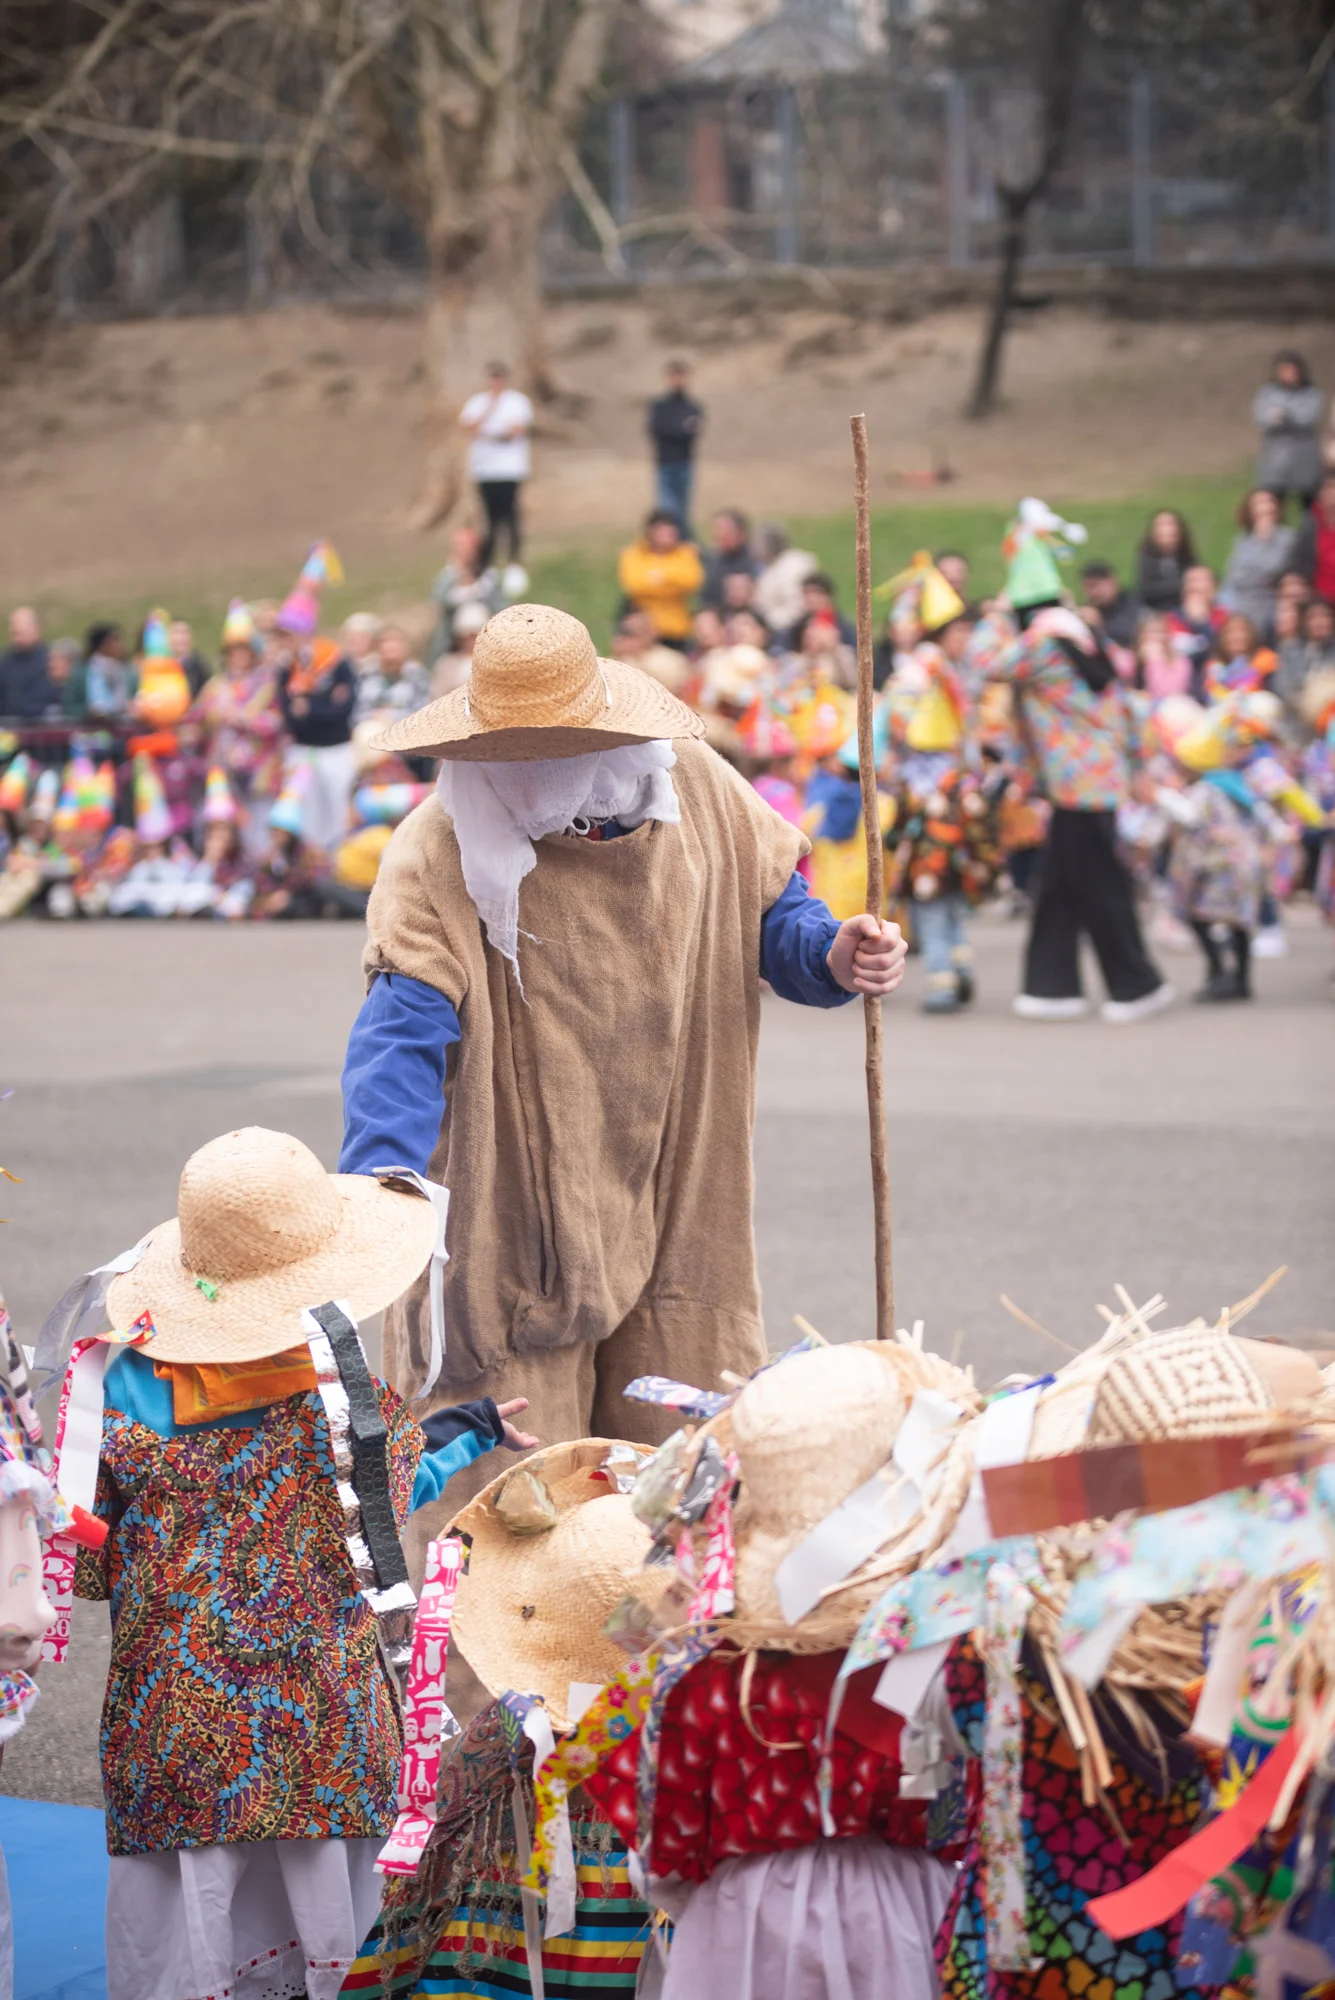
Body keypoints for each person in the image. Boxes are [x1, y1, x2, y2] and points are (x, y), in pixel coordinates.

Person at [338, 603, 907, 1561]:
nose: (536, 771)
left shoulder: (696, 791)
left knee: (676, 1477)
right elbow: (399, 1036)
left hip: (677, 1179)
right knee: (513, 1511)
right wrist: (382, 1190)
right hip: (509, 1224)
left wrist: (835, 954)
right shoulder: (436, 850)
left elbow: (776, 914)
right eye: (515, 753)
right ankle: (498, 1662)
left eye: (556, 748)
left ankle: (669, 1652)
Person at [61, 1124, 537, 2000]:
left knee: (188, 1936)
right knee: (330, 1933)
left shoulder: (112, 1395)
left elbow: (85, 1568)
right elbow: (383, 1512)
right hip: (325, 1727)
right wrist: (463, 1433)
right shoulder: (354, 1404)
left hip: (175, 1730)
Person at [970, 499, 1172, 1023]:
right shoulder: (1082, 635)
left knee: (1100, 887)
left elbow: (985, 661)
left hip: (1079, 785)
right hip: (1090, 781)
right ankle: (1052, 987)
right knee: (1061, 887)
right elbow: (1127, 705)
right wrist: (1138, 766)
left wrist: (996, 613)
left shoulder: (1044, 643)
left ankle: (1137, 985)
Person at [460, 361, 533, 570]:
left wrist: (489, 432)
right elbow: (468, 426)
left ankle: (514, 561)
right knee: (489, 518)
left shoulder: (517, 402)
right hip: (484, 470)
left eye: (499, 377)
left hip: (509, 469)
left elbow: (516, 430)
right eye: (493, 377)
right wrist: (489, 409)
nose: (496, 381)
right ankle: (488, 562)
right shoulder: (477, 402)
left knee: (510, 515)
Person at [617, 509, 705, 646]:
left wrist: (660, 577)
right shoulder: (634, 553)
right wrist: (671, 584)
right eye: (662, 531)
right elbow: (633, 584)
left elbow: (692, 580)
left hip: (676, 629)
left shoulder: (685, 553)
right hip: (644, 629)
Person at [1220, 487, 1298, 638]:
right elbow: (1233, 575)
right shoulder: (1243, 539)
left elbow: (1273, 569)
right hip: (1239, 601)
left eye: (1269, 502)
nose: (1265, 507)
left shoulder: (1286, 538)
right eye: (1259, 503)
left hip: (1268, 604)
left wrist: (1265, 541)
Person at [1252, 349, 1323, 508]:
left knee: (1310, 505)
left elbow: (1308, 417)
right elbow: (1261, 418)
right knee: (1274, 503)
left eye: (1291, 370)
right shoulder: (1267, 393)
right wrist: (1277, 419)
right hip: (1276, 461)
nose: (1287, 374)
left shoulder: (1311, 394)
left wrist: (1286, 416)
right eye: (1283, 370)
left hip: (1304, 459)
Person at [429, 524, 501, 664]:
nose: (461, 550)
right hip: (452, 646)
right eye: (457, 545)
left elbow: (500, 607)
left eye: (465, 546)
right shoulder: (446, 577)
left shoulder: (489, 577)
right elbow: (438, 604)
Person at [647, 358, 704, 530]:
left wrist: (673, 429)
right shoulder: (659, 406)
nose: (678, 380)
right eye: (674, 376)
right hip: (665, 463)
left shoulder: (692, 406)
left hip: (684, 463)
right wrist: (679, 428)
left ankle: (681, 541)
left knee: (682, 511)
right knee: (667, 509)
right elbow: (657, 431)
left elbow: (692, 432)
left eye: (681, 376)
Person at [1166, 564, 1225, 699]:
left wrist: (1201, 623)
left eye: (1202, 580)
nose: (1196, 586)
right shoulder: (1171, 619)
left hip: (1217, 688)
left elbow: (1222, 650)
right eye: (1191, 581)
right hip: (1179, 690)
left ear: (1215, 588)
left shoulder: (1225, 617)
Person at [353, 622, 430, 720]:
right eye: (387, 653)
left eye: (395, 653)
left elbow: (423, 711)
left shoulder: (417, 676)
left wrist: (391, 715)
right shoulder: (366, 675)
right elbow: (356, 714)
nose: (391, 660)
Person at [753, 524, 817, 635]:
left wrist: (766, 622)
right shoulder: (767, 567)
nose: (754, 547)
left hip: (790, 628)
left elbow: (797, 607)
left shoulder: (794, 566)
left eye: (758, 543)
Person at [1135, 508, 1197, 612]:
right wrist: (1184, 585)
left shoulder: (1186, 555)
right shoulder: (1147, 556)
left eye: (1172, 535)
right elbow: (1146, 589)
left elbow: (1198, 576)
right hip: (1155, 608)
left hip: (1184, 607)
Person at [701, 507, 759, 612]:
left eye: (724, 530)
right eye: (717, 529)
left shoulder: (756, 561)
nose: (718, 535)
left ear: (741, 533)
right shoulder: (710, 560)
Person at [0, 607, 54, 719]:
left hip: (35, 725)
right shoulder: (6, 661)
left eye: (21, 626)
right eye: (13, 625)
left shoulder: (49, 661)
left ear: (37, 629)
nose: (14, 629)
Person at [1295, 468, 1335, 604]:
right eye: (1328, 489)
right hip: (1320, 601)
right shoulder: (1310, 525)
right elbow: (1301, 564)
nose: (1333, 493)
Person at [1078, 560, 1138, 648]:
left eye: (1095, 586)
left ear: (1112, 581)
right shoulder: (1092, 609)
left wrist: (1100, 626)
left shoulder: (1133, 604)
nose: (1093, 593)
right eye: (1088, 587)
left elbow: (1131, 636)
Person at [84, 623, 135, 720]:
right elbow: (96, 706)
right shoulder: (90, 670)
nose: (120, 645)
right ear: (102, 646)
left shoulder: (124, 670)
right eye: (115, 641)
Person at [168, 617, 210, 700]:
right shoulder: (160, 664)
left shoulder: (199, 665)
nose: (181, 638)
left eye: (185, 633)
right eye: (176, 633)